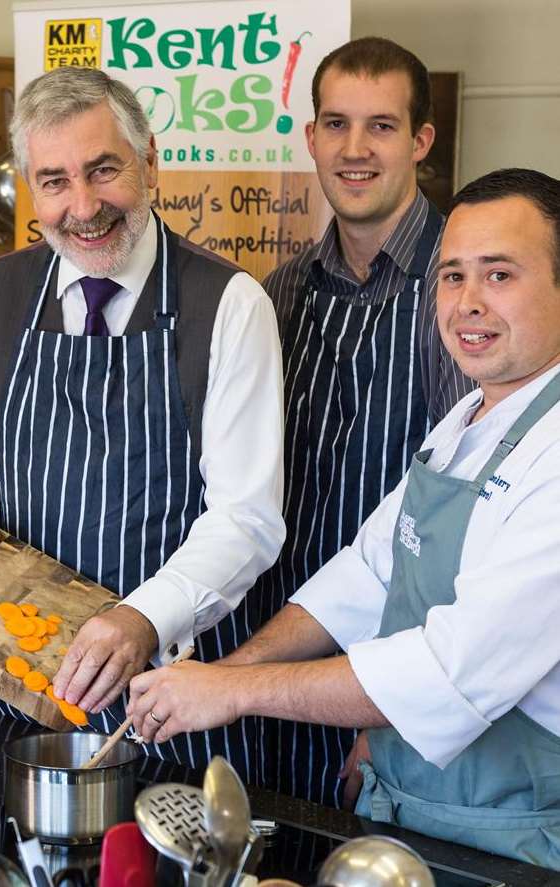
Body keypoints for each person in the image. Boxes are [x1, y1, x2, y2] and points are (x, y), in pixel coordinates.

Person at [128, 168, 560, 867]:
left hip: (513, 842)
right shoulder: (467, 418)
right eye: (450, 277)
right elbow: (364, 576)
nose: (466, 303)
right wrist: (224, 671)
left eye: (499, 274)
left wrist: (230, 692)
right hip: (411, 814)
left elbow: (443, 672)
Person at [0, 66, 286, 771]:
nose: (83, 205)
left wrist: (140, 618)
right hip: (13, 696)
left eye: (103, 170)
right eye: (55, 181)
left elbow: (245, 516)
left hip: (169, 704)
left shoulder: (229, 305)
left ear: (149, 160)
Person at [249, 36, 476, 806]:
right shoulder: (276, 294)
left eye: (380, 126)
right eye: (335, 124)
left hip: (394, 688)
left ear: (420, 141)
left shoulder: (460, 292)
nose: (354, 149)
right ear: (308, 137)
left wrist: (386, 715)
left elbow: (465, 527)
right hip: (275, 665)